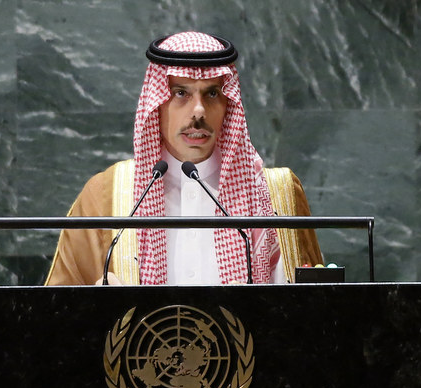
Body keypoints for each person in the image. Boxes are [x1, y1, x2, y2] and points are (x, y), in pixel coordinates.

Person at [45, 31, 322, 286]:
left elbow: (319, 315)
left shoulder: (276, 195)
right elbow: (55, 317)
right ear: (157, 104)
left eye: (212, 93)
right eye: (181, 93)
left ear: (228, 104)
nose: (198, 111)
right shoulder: (105, 197)